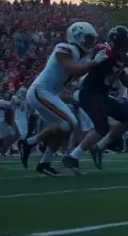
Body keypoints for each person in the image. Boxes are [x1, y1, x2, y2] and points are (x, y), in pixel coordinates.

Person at [20, 21, 100, 176]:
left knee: (63, 128)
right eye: (88, 39)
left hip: (51, 93)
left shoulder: (81, 56)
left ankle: (45, 162)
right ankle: (29, 143)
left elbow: (78, 73)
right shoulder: (64, 48)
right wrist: (95, 62)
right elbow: (73, 69)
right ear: (77, 37)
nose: (91, 43)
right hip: (40, 91)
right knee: (71, 122)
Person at [74, 25, 128, 169]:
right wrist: (121, 60)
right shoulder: (105, 52)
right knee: (101, 126)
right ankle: (73, 156)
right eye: (124, 42)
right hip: (89, 92)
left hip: (102, 94)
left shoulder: (121, 58)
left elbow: (127, 83)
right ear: (116, 42)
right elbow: (100, 55)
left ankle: (100, 146)